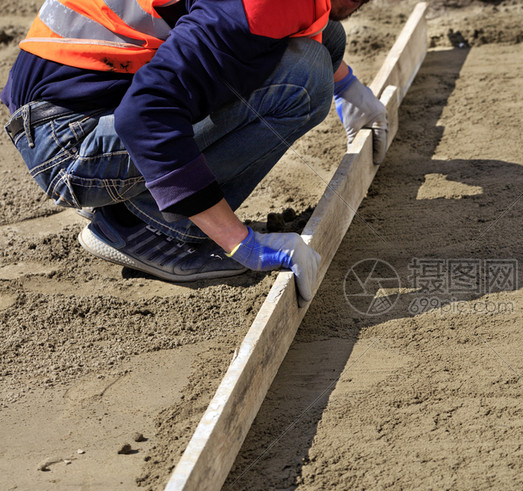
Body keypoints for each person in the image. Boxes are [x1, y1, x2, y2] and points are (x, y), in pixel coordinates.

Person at [1, 0, 388, 304]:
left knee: (325, 40)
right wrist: (240, 242)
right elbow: (147, 113)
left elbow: (294, 22)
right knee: (304, 81)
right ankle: (146, 225)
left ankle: (142, 201)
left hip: (72, 100)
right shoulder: (258, 5)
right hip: (69, 145)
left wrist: (348, 86)